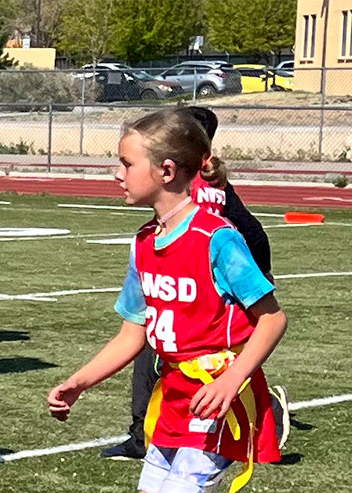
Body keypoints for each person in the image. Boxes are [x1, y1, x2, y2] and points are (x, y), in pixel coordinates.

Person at [45, 109, 287, 493]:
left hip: (216, 403)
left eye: (126, 164)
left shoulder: (215, 237)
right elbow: (134, 331)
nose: (116, 175)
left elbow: (271, 317)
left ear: (168, 170)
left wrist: (234, 380)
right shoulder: (146, 242)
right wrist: (81, 379)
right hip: (174, 398)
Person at [104, 105, 273, 461]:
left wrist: (253, 282)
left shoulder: (196, 200)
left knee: (154, 367)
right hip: (178, 306)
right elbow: (254, 232)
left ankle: (142, 432)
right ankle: (148, 431)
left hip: (198, 321)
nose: (118, 173)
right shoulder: (155, 229)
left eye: (128, 163)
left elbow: (241, 236)